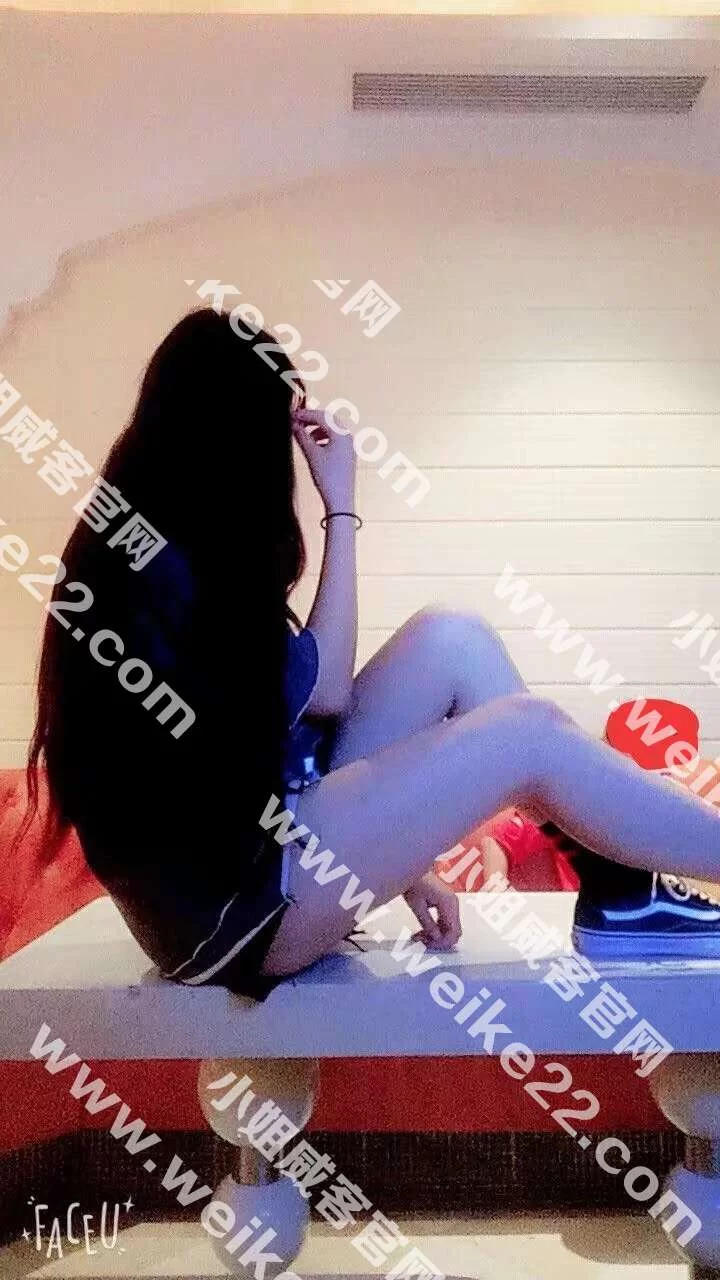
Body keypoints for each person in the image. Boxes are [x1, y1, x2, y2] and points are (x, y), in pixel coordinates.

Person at [25, 308, 720, 1001]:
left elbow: (272, 742)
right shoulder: (162, 568)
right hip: (238, 913)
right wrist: (341, 508)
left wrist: (401, 860)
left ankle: (618, 889)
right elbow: (326, 691)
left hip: (261, 851)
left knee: (454, 638)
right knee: (528, 732)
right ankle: (639, 885)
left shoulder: (152, 540)